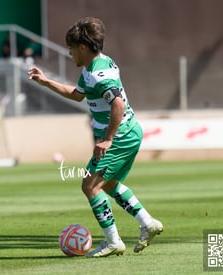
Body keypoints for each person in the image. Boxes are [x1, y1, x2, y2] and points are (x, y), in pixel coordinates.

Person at [28, 17, 163, 257]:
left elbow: (118, 105)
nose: (70, 54)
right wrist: (47, 82)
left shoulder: (99, 75)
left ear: (82, 47)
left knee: (89, 186)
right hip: (129, 133)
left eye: (71, 49)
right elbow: (78, 94)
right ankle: (147, 222)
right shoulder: (96, 66)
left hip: (120, 136)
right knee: (108, 185)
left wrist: (108, 139)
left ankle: (113, 241)